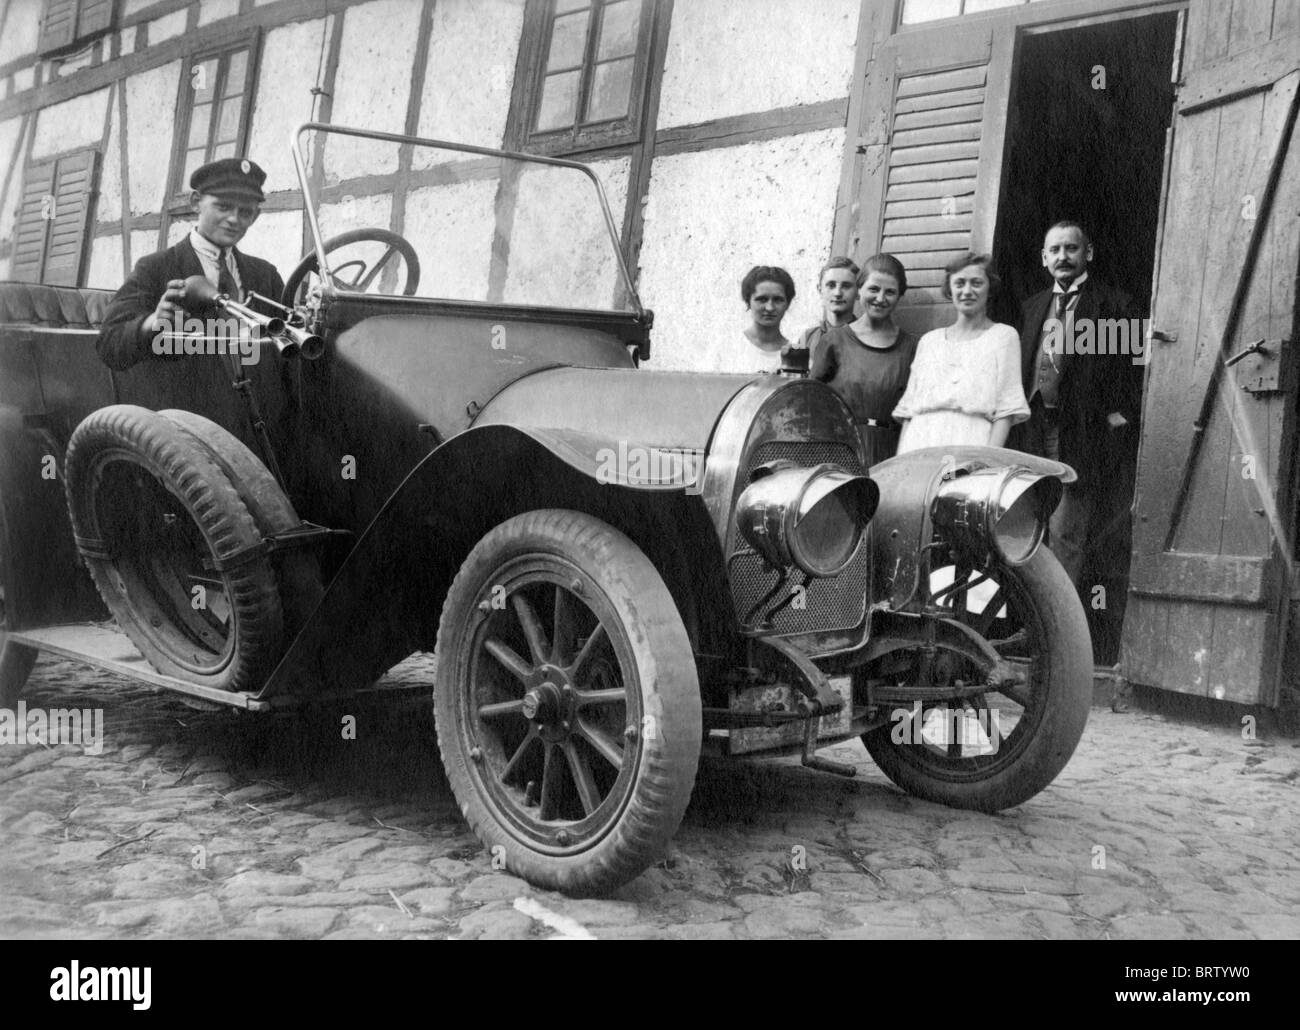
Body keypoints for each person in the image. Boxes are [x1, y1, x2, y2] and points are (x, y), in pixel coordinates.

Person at [1008, 220, 1143, 587]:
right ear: (1043, 258)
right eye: (1055, 250)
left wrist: (1119, 417)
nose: (1063, 257)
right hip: (1034, 430)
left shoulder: (1115, 305)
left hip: (1081, 433)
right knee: (1028, 532)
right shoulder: (1031, 308)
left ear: (1088, 253)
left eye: (1071, 248)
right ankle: (1029, 625)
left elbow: (1134, 371)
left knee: (1067, 534)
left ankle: (1059, 631)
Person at [97, 157, 284, 372]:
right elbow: (108, 344)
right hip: (185, 403)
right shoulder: (155, 268)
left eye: (245, 212)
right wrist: (151, 322)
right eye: (223, 207)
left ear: (256, 216)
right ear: (195, 202)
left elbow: (286, 346)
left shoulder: (265, 275)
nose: (234, 219)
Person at [893, 253, 1028, 452]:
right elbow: (909, 411)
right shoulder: (930, 341)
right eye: (959, 283)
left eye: (976, 283)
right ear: (950, 289)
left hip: (970, 443)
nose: (967, 291)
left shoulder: (1003, 337)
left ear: (989, 288)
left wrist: (986, 460)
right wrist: (901, 461)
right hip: (920, 442)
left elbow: (1006, 410)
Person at [810, 253, 918, 466]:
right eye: (874, 289)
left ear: (899, 296)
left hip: (892, 454)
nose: (880, 298)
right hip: (839, 451)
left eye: (890, 292)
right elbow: (812, 404)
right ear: (859, 290)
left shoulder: (913, 347)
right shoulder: (834, 341)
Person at [739, 265, 804, 374]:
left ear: (787, 304)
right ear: (748, 301)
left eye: (778, 300)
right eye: (762, 299)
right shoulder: (728, 348)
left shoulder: (796, 357)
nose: (770, 308)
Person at [796, 256, 861, 364]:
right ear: (820, 290)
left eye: (846, 286)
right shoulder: (808, 338)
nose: (837, 293)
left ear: (858, 292)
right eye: (831, 285)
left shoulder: (866, 337)